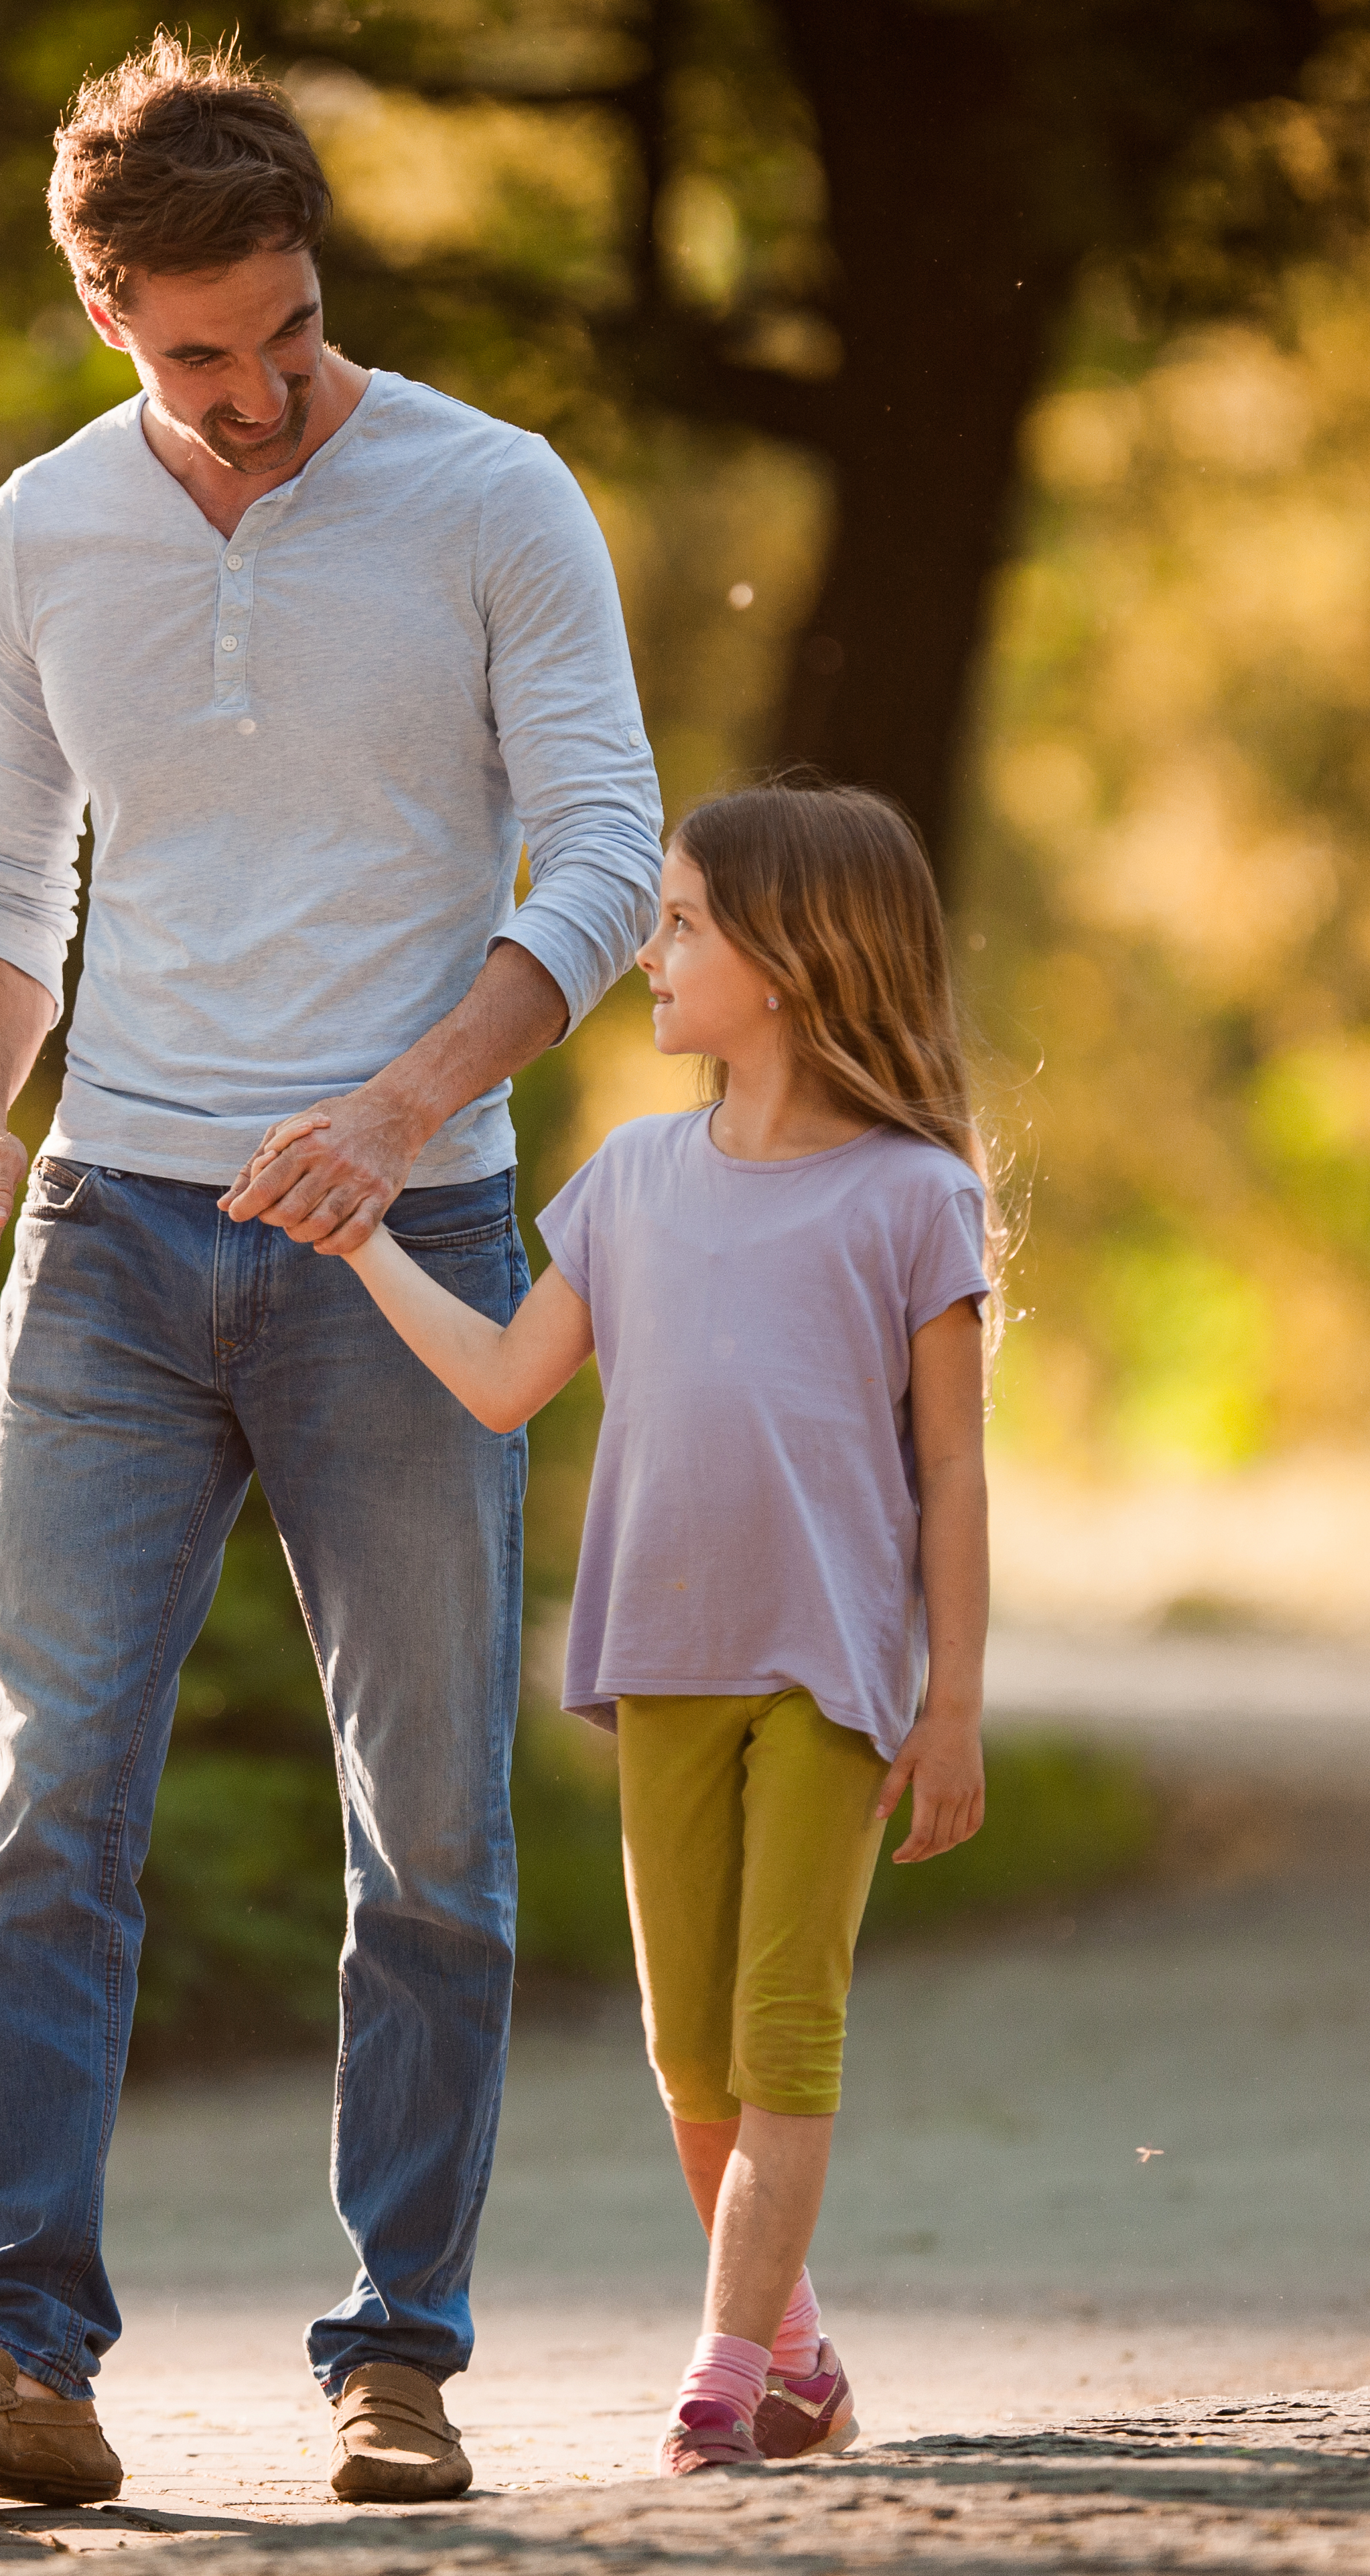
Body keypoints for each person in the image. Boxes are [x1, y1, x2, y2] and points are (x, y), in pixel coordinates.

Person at [0, 35, 661, 2510]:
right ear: (108, 316)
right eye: (199, 355)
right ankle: (27, 2361)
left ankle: (395, 2349)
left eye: (285, 330)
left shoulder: (489, 498)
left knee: (424, 1822)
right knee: (43, 1797)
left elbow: (603, 854)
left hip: (402, 1243)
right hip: (102, 1234)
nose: (257, 390)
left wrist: (409, 1108)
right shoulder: (36, 535)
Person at [313, 781, 996, 2476]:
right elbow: (497, 1385)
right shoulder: (629, 1182)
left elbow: (958, 1472)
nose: (652, 953)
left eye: (682, 922)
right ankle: (802, 2355)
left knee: (781, 2031)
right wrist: (360, 1243)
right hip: (664, 1655)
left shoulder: (913, 1198)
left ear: (791, 957)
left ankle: (720, 2373)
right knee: (688, 2045)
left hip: (834, 1670)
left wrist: (957, 1702)